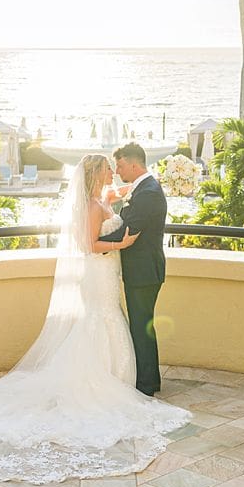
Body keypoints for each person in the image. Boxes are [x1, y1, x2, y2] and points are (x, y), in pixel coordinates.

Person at [0, 153, 190, 484]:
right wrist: (122, 241)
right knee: (101, 318)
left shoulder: (101, 198)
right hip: (100, 269)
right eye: (109, 168)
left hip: (108, 271)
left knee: (110, 319)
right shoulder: (93, 206)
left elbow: (123, 194)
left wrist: (140, 186)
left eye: (116, 167)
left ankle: (118, 377)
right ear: (96, 173)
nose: (114, 172)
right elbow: (88, 243)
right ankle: (107, 381)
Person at [99, 142, 169, 396]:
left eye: (120, 165)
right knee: (142, 325)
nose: (117, 171)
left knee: (141, 326)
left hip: (144, 271)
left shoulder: (148, 192)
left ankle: (146, 385)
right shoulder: (143, 188)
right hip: (143, 270)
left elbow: (130, 229)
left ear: (134, 164)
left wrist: (93, 245)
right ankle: (148, 379)